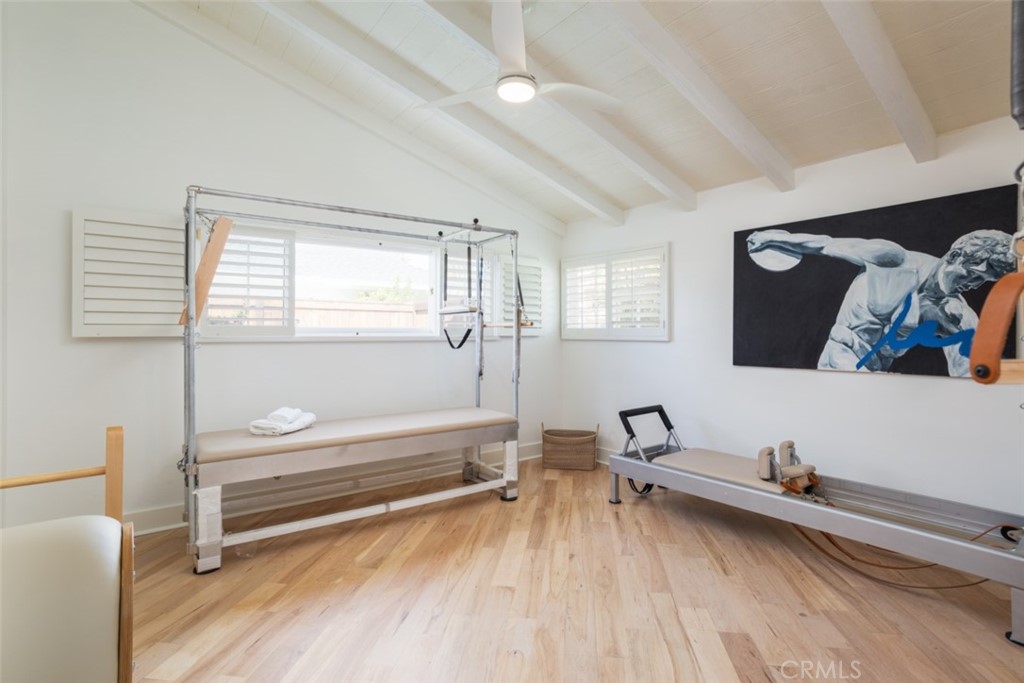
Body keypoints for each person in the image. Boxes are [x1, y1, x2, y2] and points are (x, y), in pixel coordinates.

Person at [746, 228, 1015, 376]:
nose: (974, 284)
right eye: (973, 274)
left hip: (879, 378)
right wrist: (775, 238)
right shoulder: (892, 259)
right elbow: (825, 244)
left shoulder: (957, 313)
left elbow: (970, 372)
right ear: (955, 257)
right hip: (839, 361)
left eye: (984, 281)